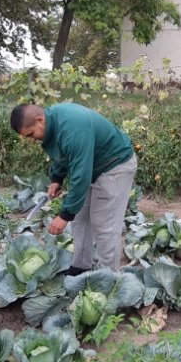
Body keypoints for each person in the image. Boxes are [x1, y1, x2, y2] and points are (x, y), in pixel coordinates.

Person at [10, 103, 137, 274]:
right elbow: (65, 154)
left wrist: (64, 215)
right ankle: (80, 267)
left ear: (40, 120)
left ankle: (108, 277)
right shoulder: (53, 123)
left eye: (31, 134)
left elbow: (81, 175)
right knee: (81, 218)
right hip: (93, 165)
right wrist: (57, 178)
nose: (32, 140)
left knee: (104, 224)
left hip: (115, 165)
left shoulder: (73, 128)